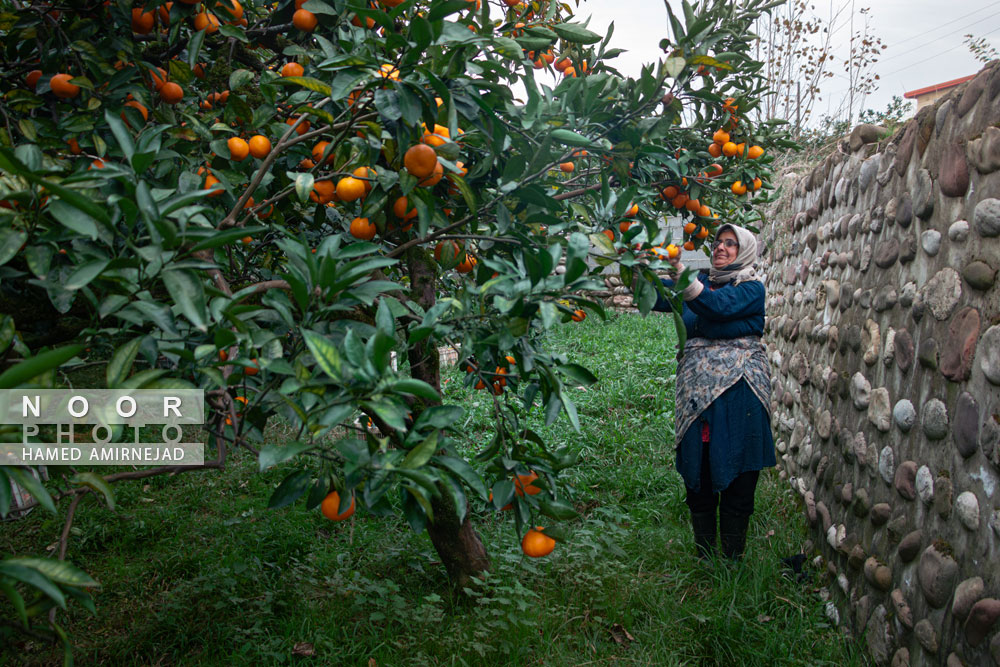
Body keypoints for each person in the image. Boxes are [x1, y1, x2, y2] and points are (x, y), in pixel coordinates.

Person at [641, 224, 774, 561]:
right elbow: (653, 295)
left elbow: (715, 307)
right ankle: (705, 556)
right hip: (695, 397)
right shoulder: (698, 287)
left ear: (744, 251)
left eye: (731, 244)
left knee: (739, 469)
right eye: (718, 242)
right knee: (698, 468)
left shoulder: (751, 289)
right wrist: (636, 263)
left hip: (741, 394)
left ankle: (731, 560)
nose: (721, 248)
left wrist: (690, 286)